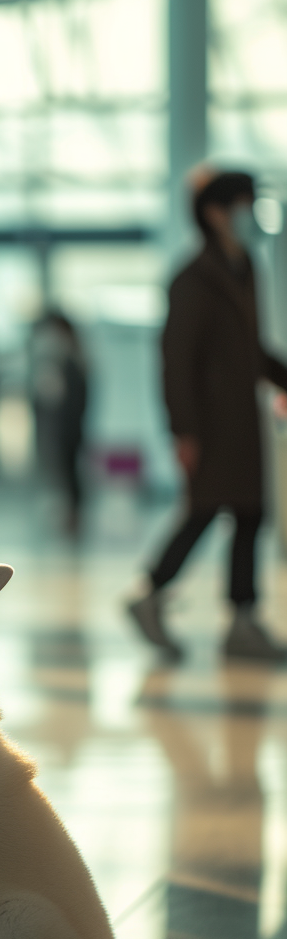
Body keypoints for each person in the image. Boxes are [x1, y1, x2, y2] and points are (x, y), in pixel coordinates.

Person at [127, 168, 287, 661]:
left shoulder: (245, 268)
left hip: (243, 421)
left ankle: (241, 619)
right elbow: (177, 359)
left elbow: (250, 350)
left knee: (249, 513)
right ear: (215, 213)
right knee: (203, 511)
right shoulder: (192, 279)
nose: (249, 214)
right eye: (241, 204)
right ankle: (149, 594)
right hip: (211, 425)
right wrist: (183, 430)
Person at [29, 310, 89, 534]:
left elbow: (67, 399)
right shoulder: (73, 357)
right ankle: (71, 515)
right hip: (70, 426)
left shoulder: (71, 360)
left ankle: (74, 517)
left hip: (70, 427)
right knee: (68, 472)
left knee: (70, 472)